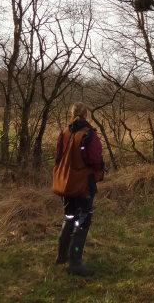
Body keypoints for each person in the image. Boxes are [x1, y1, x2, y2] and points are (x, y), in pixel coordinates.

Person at [52, 102, 104, 276]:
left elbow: (57, 158)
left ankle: (61, 256)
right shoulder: (88, 134)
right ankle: (75, 263)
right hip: (82, 185)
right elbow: (96, 160)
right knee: (82, 222)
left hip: (66, 184)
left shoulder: (65, 132)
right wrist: (98, 171)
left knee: (69, 217)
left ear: (71, 114)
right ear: (86, 115)